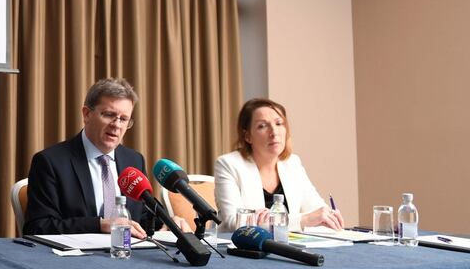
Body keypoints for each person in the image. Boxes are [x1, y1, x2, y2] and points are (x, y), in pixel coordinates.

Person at [23, 78, 184, 238]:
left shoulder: (133, 160)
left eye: (123, 119)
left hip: (126, 255)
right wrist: (99, 225)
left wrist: (168, 223)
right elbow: (38, 227)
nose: (117, 125)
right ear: (86, 114)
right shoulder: (50, 162)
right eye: (109, 115)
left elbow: (143, 215)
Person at [214, 98, 344, 232]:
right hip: (244, 249)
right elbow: (235, 222)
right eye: (262, 126)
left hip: (288, 246)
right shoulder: (228, 164)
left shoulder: (292, 163)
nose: (274, 132)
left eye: (279, 123)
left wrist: (327, 216)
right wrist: (303, 220)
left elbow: (316, 209)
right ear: (247, 136)